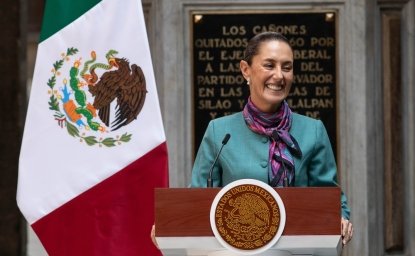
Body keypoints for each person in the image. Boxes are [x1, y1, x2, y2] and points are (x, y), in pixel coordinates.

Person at [190, 31, 353, 245]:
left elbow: (329, 197)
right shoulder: (218, 131)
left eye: (287, 67)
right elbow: (196, 203)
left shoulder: (313, 130)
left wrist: (340, 218)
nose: (279, 75)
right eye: (269, 65)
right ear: (245, 70)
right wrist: (169, 227)